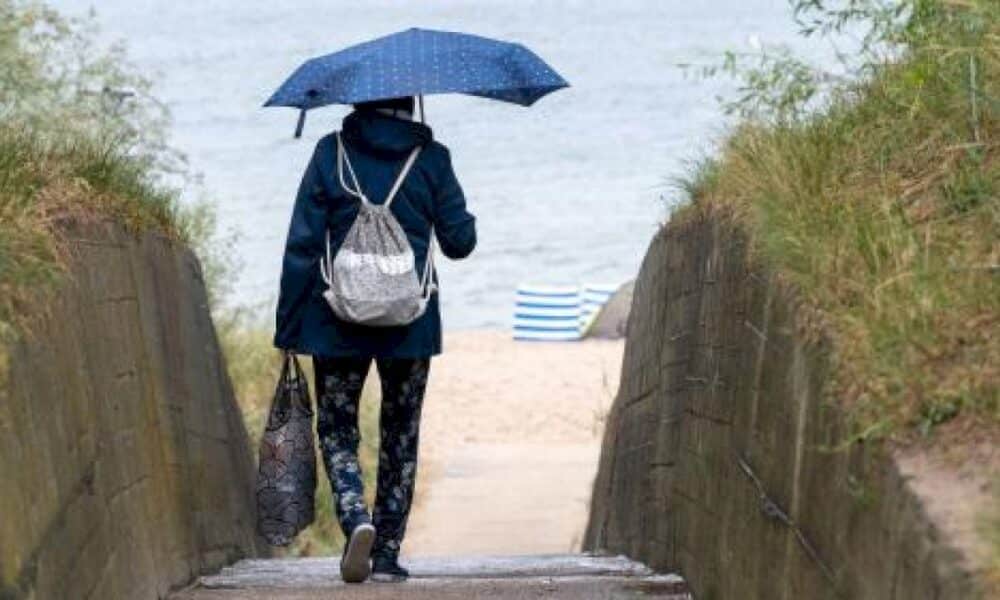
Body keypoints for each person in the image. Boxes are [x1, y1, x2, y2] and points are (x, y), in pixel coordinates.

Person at [273, 96, 476, 583]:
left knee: (338, 430)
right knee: (400, 435)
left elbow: (302, 242)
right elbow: (459, 243)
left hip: (336, 322)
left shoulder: (330, 153)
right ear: (410, 105)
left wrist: (288, 326)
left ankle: (354, 517)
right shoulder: (432, 158)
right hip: (412, 324)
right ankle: (385, 552)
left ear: (359, 101)